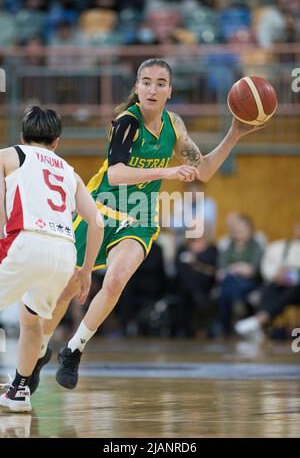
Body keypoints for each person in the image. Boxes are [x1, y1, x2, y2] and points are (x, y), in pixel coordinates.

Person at [30, 57, 263, 391]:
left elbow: (205, 170)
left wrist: (236, 132)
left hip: (140, 215)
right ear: (137, 88)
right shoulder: (126, 122)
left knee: (115, 281)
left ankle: (73, 350)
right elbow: (116, 173)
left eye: (161, 83)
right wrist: (167, 171)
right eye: (146, 82)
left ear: (170, 91)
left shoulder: (176, 125)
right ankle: (39, 351)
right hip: (101, 207)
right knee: (69, 287)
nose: (153, 89)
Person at [0, 106, 104, 412]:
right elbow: (97, 222)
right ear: (56, 142)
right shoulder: (69, 172)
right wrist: (85, 271)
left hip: (24, 239)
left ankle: (19, 388)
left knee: (29, 321)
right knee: (32, 322)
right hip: (63, 251)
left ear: (21, 136)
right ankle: (19, 392)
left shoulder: (9, 155)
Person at [235, 221, 300, 340]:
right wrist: (277, 275)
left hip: (296, 287)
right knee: (270, 289)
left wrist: (291, 275)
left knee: (291, 290)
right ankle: (260, 327)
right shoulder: (280, 246)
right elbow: (267, 264)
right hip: (280, 282)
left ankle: (258, 321)